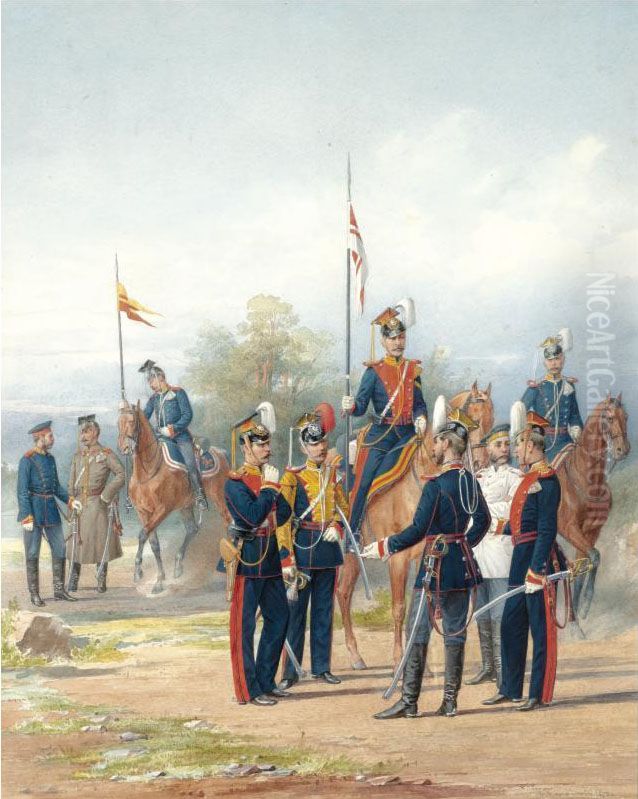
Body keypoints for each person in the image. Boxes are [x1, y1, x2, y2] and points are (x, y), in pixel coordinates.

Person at [362, 408, 491, 719]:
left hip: (434, 567)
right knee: (455, 633)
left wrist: (384, 545)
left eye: (436, 442)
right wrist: (462, 545)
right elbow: (484, 521)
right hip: (462, 568)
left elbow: (418, 530)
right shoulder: (470, 482)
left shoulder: (435, 485)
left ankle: (409, 702)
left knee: (417, 631)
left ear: (446, 445)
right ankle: (450, 703)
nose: (432, 447)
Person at [483, 410, 563, 712]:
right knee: (511, 624)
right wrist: (500, 527)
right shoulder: (528, 477)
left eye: (518, 446)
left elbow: (546, 529)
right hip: (519, 556)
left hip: (535, 560)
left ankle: (537, 693)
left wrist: (536, 569)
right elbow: (523, 521)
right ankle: (510, 688)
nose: (515, 451)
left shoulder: (547, 479)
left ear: (531, 446)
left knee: (539, 629)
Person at [221, 418, 292, 706]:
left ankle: (266, 681)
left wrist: (271, 492)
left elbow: (285, 514)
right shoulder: (234, 483)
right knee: (244, 628)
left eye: (267, 443)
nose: (267, 449)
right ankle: (248, 690)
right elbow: (250, 517)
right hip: (247, 560)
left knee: (279, 618)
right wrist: (269, 490)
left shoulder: (268, 480)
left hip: (270, 559)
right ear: (247, 447)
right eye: (261, 444)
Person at [342, 305, 427, 543]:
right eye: (392, 338)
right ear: (383, 341)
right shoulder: (374, 371)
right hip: (383, 433)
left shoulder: (413, 370)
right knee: (364, 478)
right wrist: (351, 406)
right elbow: (360, 406)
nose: (398, 342)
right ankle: (353, 532)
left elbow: (420, 403)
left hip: (409, 432)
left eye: (401, 337)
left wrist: (421, 417)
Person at [277, 411, 349, 690]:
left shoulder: (334, 476)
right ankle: (291, 672)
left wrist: (338, 526)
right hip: (302, 550)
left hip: (327, 551)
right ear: (304, 447)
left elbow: (345, 508)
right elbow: (282, 521)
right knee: (296, 615)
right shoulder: (292, 478)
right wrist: (286, 558)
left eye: (323, 443)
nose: (320, 448)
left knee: (323, 612)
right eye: (314, 444)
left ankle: (322, 667)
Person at [465, 424, 522, 688]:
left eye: (506, 444)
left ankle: (502, 671)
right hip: (478, 551)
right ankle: (488, 666)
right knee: (481, 613)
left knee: (499, 615)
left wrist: (483, 509)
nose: (504, 449)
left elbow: (514, 508)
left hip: (500, 551)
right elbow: (469, 507)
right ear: (487, 448)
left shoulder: (516, 476)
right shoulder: (480, 476)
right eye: (498, 445)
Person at [17, 421, 80, 605]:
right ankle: (34, 594)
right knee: (33, 552)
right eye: (50, 436)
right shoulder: (26, 460)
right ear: (40, 438)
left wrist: (70, 500)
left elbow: (56, 487)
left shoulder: (50, 459)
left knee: (60, 549)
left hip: (51, 510)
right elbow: (21, 491)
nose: (53, 439)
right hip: (33, 513)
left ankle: (59, 591)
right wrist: (26, 516)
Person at [66, 415, 125, 593]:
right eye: (82, 433)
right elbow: (71, 483)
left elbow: (121, 474)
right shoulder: (78, 456)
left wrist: (106, 495)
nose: (83, 436)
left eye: (87, 432)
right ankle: (73, 580)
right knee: (75, 543)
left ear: (96, 433)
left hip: (98, 503)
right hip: (79, 505)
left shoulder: (105, 454)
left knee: (100, 542)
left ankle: (101, 579)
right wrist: (71, 501)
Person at [140, 360, 208, 509]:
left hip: (180, 437)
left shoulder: (178, 393)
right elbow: (145, 416)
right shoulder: (154, 398)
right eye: (149, 382)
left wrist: (173, 429)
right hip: (161, 438)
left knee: (190, 464)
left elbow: (187, 415)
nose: (151, 385)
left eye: (152, 381)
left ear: (161, 378)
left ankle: (199, 495)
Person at [522, 331, 583, 463]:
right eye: (550, 360)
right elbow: (521, 413)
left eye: (557, 359)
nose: (554, 363)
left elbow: (574, 416)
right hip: (541, 444)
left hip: (566, 442)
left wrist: (577, 430)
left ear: (563, 360)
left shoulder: (569, 386)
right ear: (545, 363)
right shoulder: (536, 387)